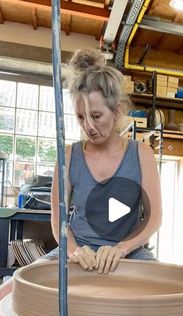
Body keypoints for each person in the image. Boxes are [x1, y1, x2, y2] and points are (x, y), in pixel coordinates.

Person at [43, 49, 162, 274]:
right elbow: (58, 219)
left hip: (129, 252)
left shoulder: (142, 154)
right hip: (78, 251)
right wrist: (73, 251)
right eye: (81, 117)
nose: (88, 126)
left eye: (96, 116)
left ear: (116, 111)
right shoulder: (68, 155)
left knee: (173, 296)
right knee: (10, 290)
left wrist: (121, 249)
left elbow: (154, 217)